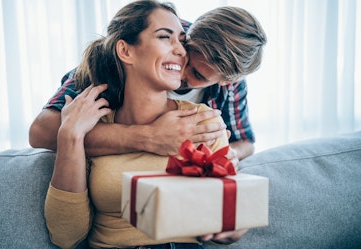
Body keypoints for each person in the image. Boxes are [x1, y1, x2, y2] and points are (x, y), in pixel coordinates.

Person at [44, 1, 247, 248]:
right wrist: (71, 135)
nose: (182, 52)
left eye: (182, 42)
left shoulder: (205, 121)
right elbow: (66, 236)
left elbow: (227, 214)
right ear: (126, 51)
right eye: (165, 37)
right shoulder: (89, 120)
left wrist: (234, 223)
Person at [29, 4, 267, 165]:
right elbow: (42, 131)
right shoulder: (146, 44)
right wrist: (149, 136)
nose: (180, 64)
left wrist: (227, 154)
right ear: (189, 32)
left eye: (196, 74)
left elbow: (245, 141)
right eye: (186, 48)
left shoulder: (230, 83)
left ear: (226, 81)